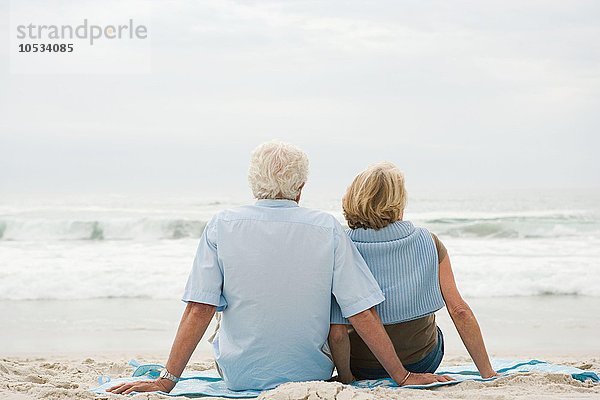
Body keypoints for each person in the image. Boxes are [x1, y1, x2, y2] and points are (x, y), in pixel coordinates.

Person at [107, 142, 451, 395]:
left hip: (240, 376)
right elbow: (361, 311)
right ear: (301, 188)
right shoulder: (327, 228)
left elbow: (200, 307)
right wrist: (402, 376)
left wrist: (167, 379)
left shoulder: (222, 225)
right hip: (310, 374)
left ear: (253, 183)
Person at [329, 162, 498, 383]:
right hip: (423, 360)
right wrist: (488, 373)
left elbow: (338, 333)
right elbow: (459, 311)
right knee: (433, 332)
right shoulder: (429, 241)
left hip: (362, 365)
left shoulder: (340, 247)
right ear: (399, 200)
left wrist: (346, 377)